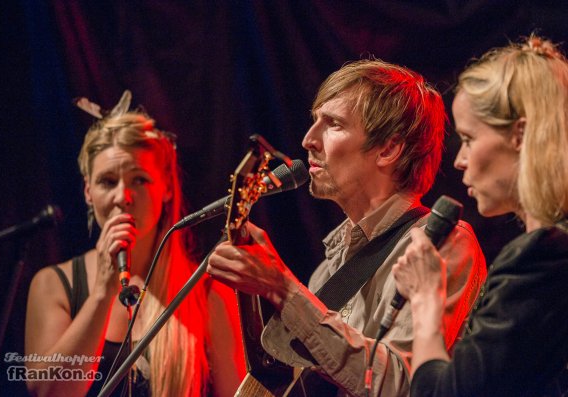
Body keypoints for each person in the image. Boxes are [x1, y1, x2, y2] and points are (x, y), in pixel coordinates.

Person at [207, 59, 487, 396]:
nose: (309, 139)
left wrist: (282, 289)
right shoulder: (326, 272)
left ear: (389, 148)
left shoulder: (443, 246)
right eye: (315, 122)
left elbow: (404, 385)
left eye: (333, 124)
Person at [393, 34, 568, 396]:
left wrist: (425, 299)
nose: (459, 160)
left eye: (468, 138)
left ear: (521, 135)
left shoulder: (545, 255)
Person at [25, 91, 245, 397]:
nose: (122, 197)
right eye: (107, 181)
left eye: (139, 180)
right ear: (88, 192)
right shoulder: (53, 285)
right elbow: (49, 392)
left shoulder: (207, 292)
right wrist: (102, 293)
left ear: (166, 188)